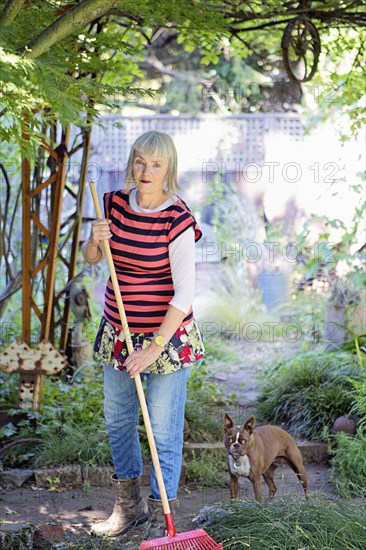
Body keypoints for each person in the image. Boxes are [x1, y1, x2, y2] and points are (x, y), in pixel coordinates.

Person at [82, 130, 204, 537]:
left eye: (155, 163)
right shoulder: (113, 203)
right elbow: (94, 257)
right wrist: (94, 241)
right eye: (140, 161)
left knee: (163, 431)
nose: (146, 170)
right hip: (119, 331)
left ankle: (159, 521)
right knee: (118, 422)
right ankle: (128, 508)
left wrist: (153, 348)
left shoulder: (178, 218)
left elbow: (185, 294)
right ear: (132, 163)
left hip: (165, 339)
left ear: (168, 168)